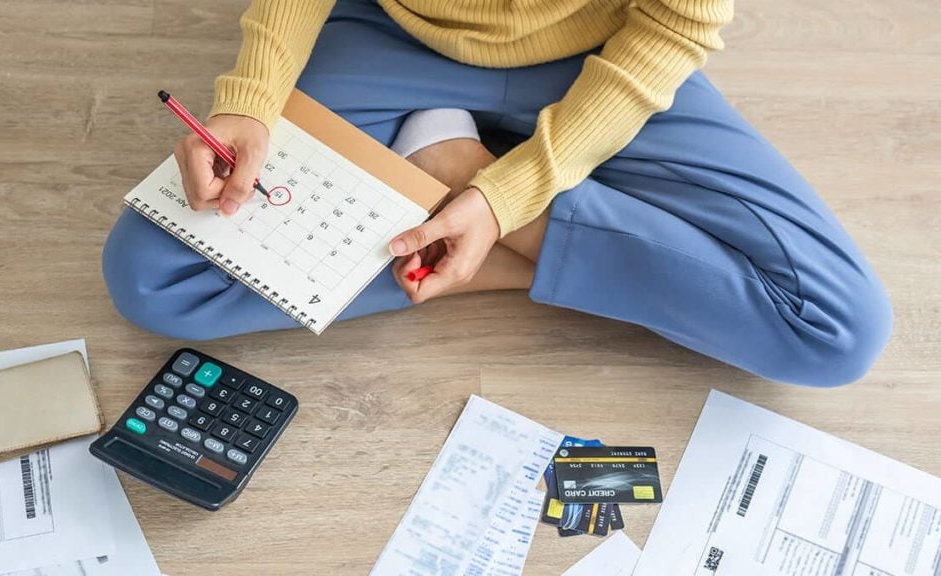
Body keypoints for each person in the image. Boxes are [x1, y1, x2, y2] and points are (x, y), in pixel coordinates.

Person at [103, 0, 892, 387]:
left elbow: (673, 27)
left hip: (603, 59)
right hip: (383, 36)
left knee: (837, 332)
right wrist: (250, 96)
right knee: (149, 276)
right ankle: (493, 235)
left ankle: (447, 169)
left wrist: (499, 193)